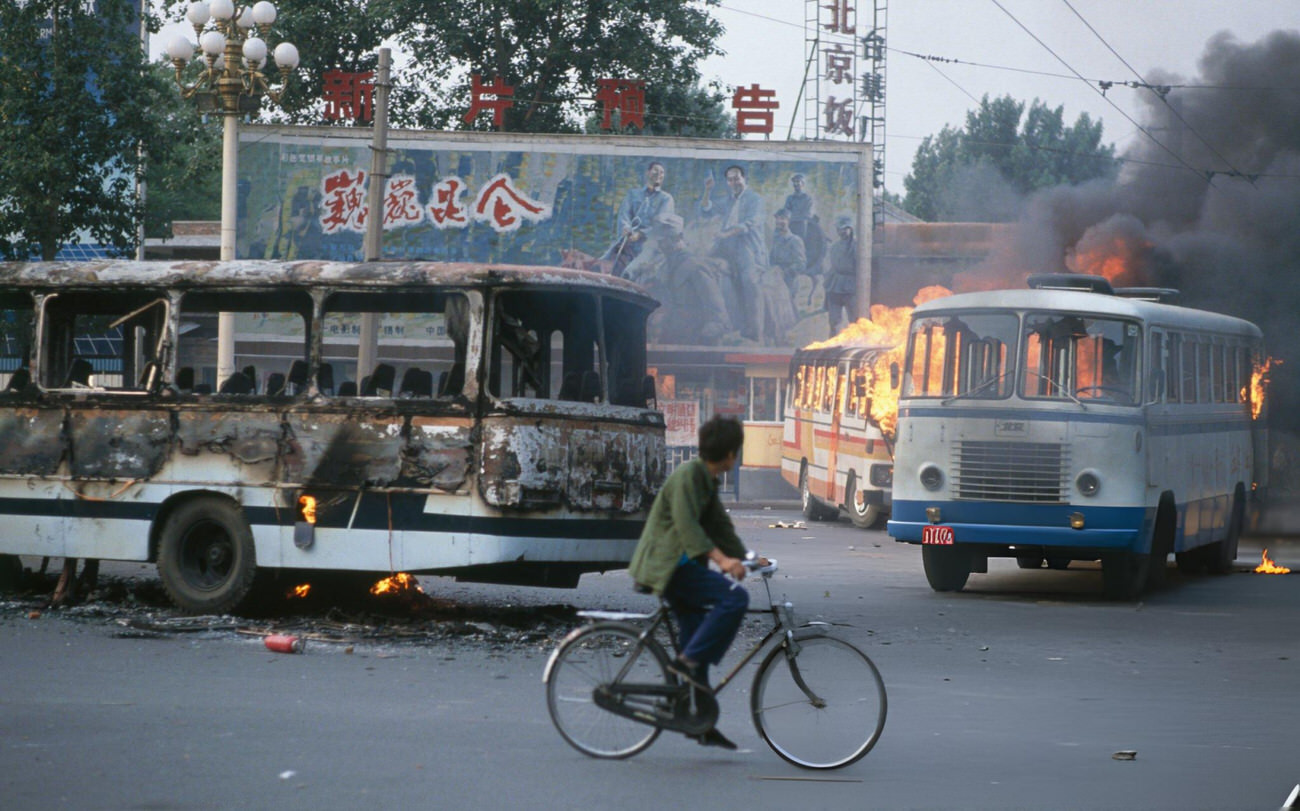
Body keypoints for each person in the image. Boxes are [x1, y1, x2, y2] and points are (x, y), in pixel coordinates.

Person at [627, 415, 762, 750]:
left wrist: (746, 559)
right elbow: (689, 528)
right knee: (735, 600)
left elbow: (719, 527)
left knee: (696, 644)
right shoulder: (689, 476)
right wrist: (722, 561)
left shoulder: (706, 479)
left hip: (684, 568)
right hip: (670, 568)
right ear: (731, 454)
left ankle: (698, 720)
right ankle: (685, 666)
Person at [698, 165, 766, 341]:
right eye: (730, 180)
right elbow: (706, 210)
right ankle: (720, 323)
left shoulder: (755, 199)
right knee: (703, 268)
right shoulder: (728, 200)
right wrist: (707, 190)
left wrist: (726, 233)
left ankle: (754, 331)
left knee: (749, 282)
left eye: (736, 178)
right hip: (726, 247)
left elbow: (750, 224)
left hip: (747, 247)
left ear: (744, 179)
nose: (733, 183)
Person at [603, 161, 674, 279]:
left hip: (649, 245)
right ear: (648, 173)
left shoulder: (666, 199)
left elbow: (662, 224)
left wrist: (641, 234)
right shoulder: (633, 194)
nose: (659, 174)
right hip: (628, 240)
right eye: (655, 170)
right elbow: (624, 214)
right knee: (605, 263)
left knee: (630, 273)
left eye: (662, 172)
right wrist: (626, 228)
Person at [825, 215, 858, 333]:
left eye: (845, 228)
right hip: (834, 285)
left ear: (851, 229)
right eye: (840, 229)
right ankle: (833, 345)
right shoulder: (834, 247)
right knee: (834, 321)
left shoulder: (857, 246)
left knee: (855, 320)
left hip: (851, 286)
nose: (842, 232)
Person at [768, 208, 808, 305]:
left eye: (782, 218)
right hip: (775, 280)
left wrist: (785, 272)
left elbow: (801, 264)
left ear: (788, 221)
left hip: (789, 281)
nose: (779, 221)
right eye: (777, 218)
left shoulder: (795, 240)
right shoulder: (774, 239)